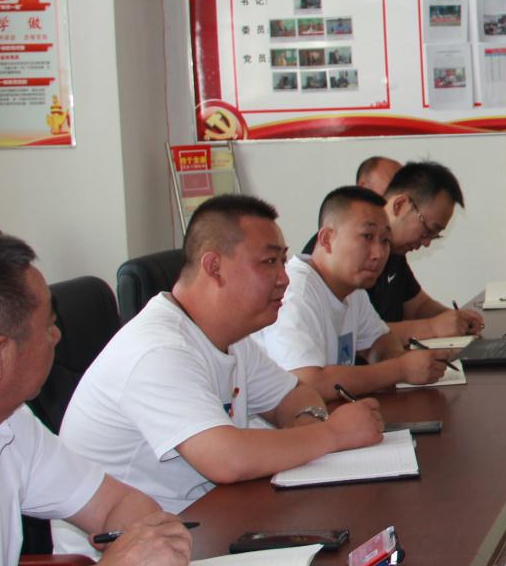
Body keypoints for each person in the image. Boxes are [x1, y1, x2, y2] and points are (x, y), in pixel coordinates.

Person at [58, 195, 385, 520]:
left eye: (283, 261)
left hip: (207, 520)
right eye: (269, 262)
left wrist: (306, 428)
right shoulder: (158, 350)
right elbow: (227, 460)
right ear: (214, 267)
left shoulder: (231, 336)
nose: (284, 278)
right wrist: (332, 434)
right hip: (135, 544)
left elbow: (295, 394)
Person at [0, 228, 193, 566]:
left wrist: (146, 543)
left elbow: (116, 504)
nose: (57, 336)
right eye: (48, 325)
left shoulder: (11, 423)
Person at [258, 186, 464, 398]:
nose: (379, 254)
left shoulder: (352, 289)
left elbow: (380, 343)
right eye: (367, 236)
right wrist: (399, 369)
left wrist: (407, 362)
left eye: (385, 240)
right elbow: (308, 383)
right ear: (327, 239)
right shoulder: (295, 293)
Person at [366, 161, 484, 333]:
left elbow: (418, 306)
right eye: (427, 230)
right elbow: (363, 336)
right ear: (399, 205)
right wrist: (433, 328)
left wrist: (457, 319)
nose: (427, 242)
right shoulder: (359, 254)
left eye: (434, 236)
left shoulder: (396, 252)